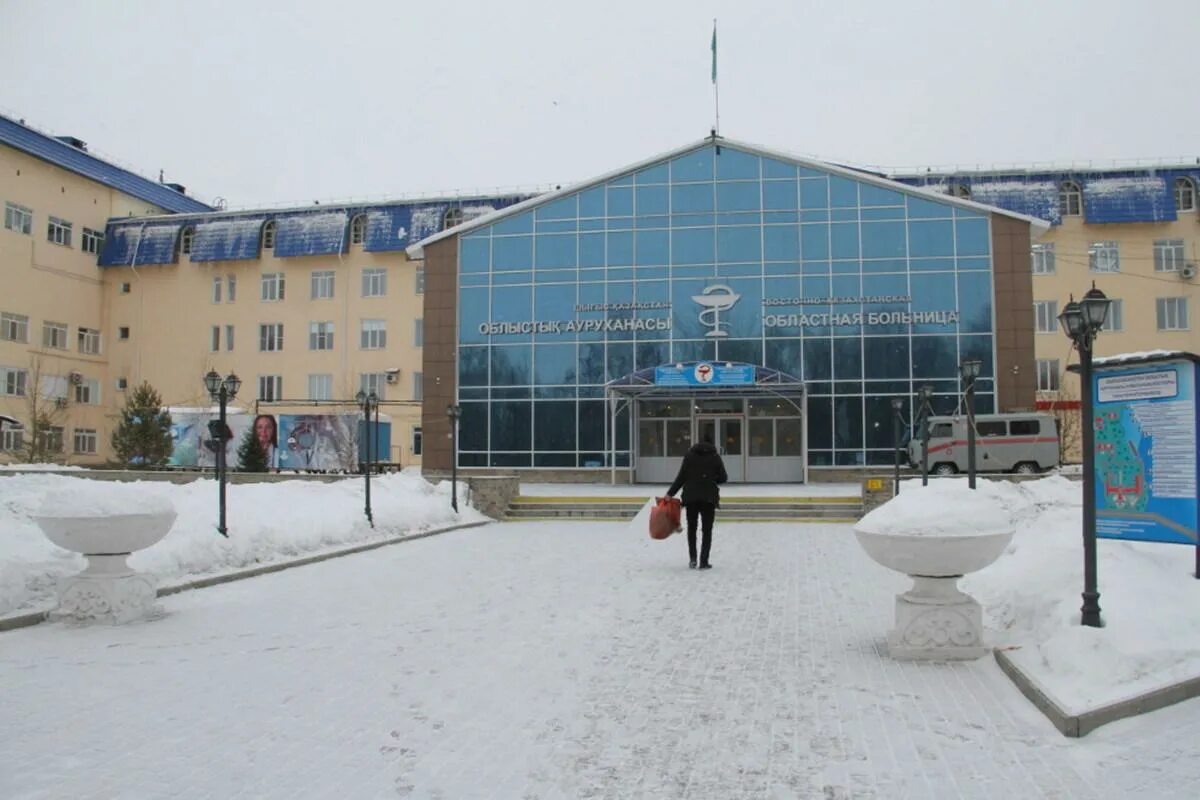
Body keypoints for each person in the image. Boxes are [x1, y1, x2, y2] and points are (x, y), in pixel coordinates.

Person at [666, 434, 728, 570]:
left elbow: (681, 477)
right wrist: (712, 480)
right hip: (708, 498)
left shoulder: (689, 456)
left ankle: (692, 559)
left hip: (691, 498)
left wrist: (670, 494)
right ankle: (704, 561)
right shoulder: (715, 457)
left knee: (692, 528)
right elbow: (724, 477)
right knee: (707, 530)